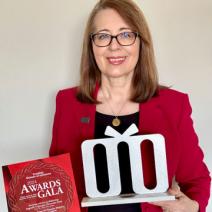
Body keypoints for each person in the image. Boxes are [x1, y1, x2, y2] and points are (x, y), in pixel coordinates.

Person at [49, 0, 211, 211]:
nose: (114, 46)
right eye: (103, 36)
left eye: (125, 35)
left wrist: (193, 207)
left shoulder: (174, 105)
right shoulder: (67, 103)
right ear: (91, 46)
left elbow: (197, 180)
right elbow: (57, 183)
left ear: (141, 42)